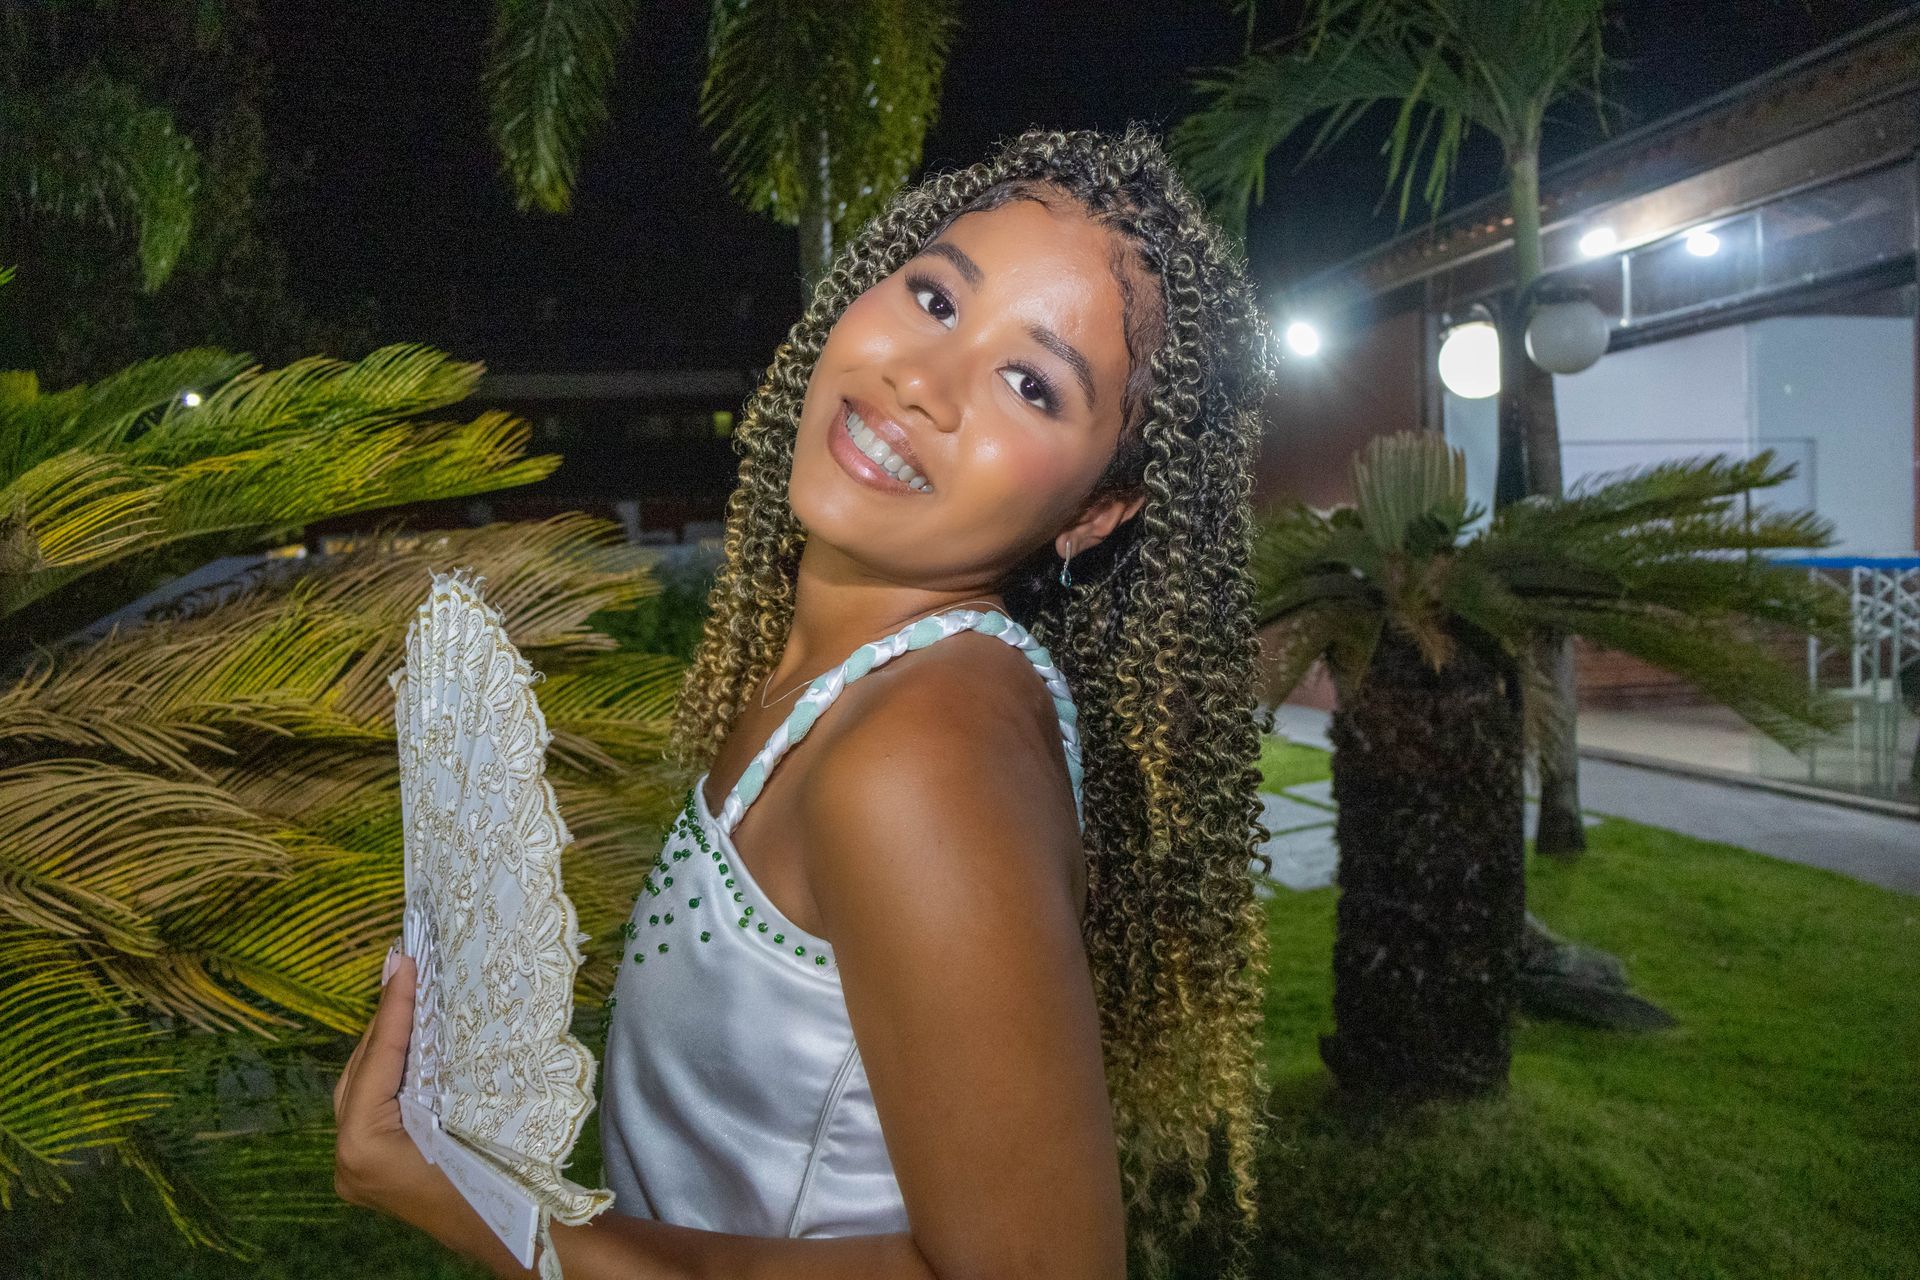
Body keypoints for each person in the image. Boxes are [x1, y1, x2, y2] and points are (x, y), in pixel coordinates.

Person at [333, 125, 1275, 1280]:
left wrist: (478, 1202)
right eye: (935, 298)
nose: (920, 384)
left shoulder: (921, 752)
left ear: (1097, 511)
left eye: (1031, 383)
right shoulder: (853, 681)